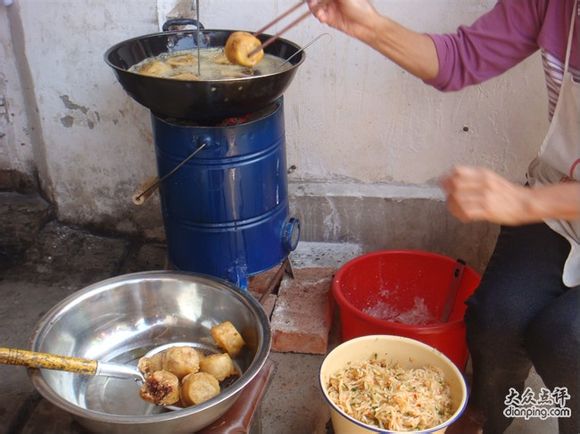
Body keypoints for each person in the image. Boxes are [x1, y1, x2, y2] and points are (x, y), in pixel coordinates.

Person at [307, 0, 580, 433]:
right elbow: (459, 60)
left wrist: (528, 204)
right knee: (497, 317)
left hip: (550, 204)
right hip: (561, 207)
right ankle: (493, 417)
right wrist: (369, 25)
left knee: (566, 340)